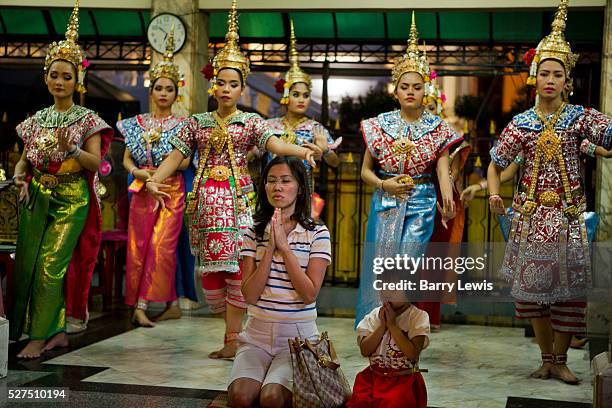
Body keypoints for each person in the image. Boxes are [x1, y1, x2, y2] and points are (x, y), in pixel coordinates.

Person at [145, 0, 321, 359]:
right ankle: (235, 334)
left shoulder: (252, 122)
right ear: (213, 86)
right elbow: (177, 156)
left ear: (242, 88)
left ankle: (232, 340)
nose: (225, 89)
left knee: (237, 270)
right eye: (220, 83)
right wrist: (154, 179)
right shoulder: (198, 122)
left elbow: (273, 143)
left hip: (239, 203)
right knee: (210, 279)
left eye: (233, 84)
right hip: (206, 206)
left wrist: (302, 151)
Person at [487, 0, 612, 384]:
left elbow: (607, 136)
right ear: (534, 77)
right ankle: (547, 358)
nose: (550, 80)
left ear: (566, 79)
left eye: (557, 74)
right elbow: (494, 163)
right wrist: (495, 195)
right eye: (544, 73)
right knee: (531, 296)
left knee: (569, 296)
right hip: (529, 220)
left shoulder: (580, 117)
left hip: (568, 221)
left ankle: (561, 360)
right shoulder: (521, 123)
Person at [9, 0, 113, 358]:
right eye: (54, 74)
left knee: (51, 265)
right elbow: (23, 162)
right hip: (36, 195)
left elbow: (97, 164)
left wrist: (72, 152)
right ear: (46, 76)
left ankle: (40, 336)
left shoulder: (88, 120)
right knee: (26, 264)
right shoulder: (36, 119)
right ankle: (48, 331)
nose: (59, 81)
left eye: (67, 76)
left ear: (78, 81)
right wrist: (22, 181)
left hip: (71, 199)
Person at [355, 12, 462, 325]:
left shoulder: (438, 128)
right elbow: (364, 171)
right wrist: (384, 185)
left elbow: (443, 169)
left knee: (404, 268)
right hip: (386, 200)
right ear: (396, 90)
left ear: (426, 89)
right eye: (405, 86)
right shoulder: (378, 126)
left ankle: (401, 332)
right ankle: (376, 331)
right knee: (381, 266)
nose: (411, 91)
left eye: (417, 86)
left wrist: (447, 201)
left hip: (421, 201)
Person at [228, 156, 331, 408]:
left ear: (300, 187)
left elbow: (309, 294)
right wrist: (270, 248)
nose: (278, 187)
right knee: (241, 397)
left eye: (286, 181)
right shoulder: (252, 231)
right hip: (257, 336)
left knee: (271, 398)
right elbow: (250, 296)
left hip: (298, 338)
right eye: (271, 181)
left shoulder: (318, 232)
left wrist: (285, 250)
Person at [118, 30, 189, 327]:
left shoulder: (184, 124)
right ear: (151, 91)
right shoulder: (136, 124)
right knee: (139, 247)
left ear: (176, 93)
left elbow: (185, 160)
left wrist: (163, 172)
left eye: (169, 89)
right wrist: (137, 172)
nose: (163, 93)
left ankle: (144, 304)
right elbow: (126, 158)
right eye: (158, 87)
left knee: (162, 246)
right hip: (141, 188)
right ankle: (163, 303)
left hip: (171, 189)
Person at [416, 75, 471, 331]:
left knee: (433, 258)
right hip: (414, 195)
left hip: (440, 197)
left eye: (432, 106)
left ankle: (429, 314)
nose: (428, 111)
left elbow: (453, 174)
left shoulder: (449, 139)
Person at [268, 20, 340, 193]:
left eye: (306, 96)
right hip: (272, 188)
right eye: (296, 95)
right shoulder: (269, 126)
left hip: (302, 190)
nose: (302, 100)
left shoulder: (315, 128)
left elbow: (336, 163)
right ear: (286, 96)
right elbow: (251, 155)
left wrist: (324, 151)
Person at [348, 298, 429, 408]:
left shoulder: (417, 317)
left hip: (403, 380)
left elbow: (412, 353)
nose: (388, 294)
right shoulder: (374, 316)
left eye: (395, 289)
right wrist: (382, 326)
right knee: (360, 400)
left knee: (392, 401)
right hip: (374, 376)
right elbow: (365, 350)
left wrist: (392, 325)